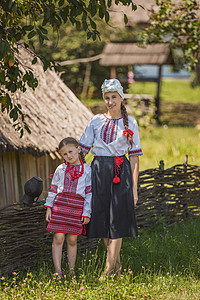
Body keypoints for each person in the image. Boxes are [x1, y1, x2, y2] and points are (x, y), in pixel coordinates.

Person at [79, 78, 143, 279]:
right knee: (101, 219)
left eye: (114, 97)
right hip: (97, 171)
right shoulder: (96, 121)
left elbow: (134, 159)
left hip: (120, 171)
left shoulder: (131, 122)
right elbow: (82, 151)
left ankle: (106, 272)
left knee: (117, 220)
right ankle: (116, 266)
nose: (110, 101)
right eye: (107, 97)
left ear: (121, 98)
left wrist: (134, 189)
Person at [44, 137, 92, 276]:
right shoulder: (61, 169)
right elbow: (53, 189)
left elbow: (89, 193)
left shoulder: (87, 170)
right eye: (64, 154)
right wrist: (49, 207)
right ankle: (58, 271)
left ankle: (71, 271)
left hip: (77, 207)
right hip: (60, 206)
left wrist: (86, 212)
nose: (68, 156)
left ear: (78, 149)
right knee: (58, 238)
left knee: (72, 239)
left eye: (70, 151)